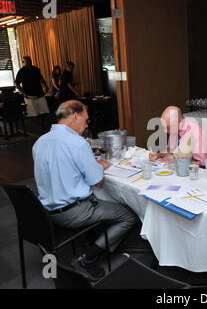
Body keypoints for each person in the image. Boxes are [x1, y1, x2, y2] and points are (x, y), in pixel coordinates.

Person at [32, 100, 138, 281]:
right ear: (75, 116)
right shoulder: (77, 143)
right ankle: (88, 258)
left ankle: (92, 238)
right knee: (128, 215)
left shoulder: (39, 142)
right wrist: (99, 166)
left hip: (46, 212)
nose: (87, 124)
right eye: (86, 119)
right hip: (72, 213)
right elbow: (97, 182)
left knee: (100, 199)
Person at [15, 56, 49, 129]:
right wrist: (23, 93)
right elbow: (17, 83)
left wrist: (45, 86)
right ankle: (39, 126)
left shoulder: (36, 69)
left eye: (30, 60)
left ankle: (42, 124)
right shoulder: (21, 71)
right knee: (34, 113)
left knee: (44, 111)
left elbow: (41, 78)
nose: (29, 62)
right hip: (29, 95)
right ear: (23, 62)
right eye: (27, 61)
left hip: (39, 93)